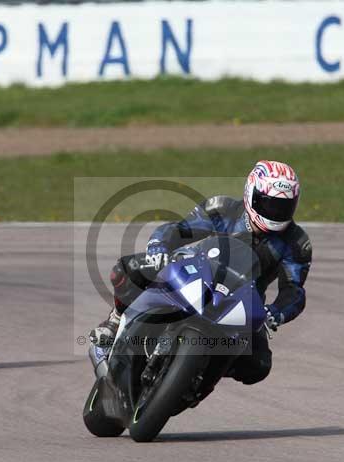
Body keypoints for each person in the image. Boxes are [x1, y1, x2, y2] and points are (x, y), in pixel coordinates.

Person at [89, 160, 312, 385]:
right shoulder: (223, 209)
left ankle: (201, 372)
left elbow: (293, 290)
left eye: (284, 207)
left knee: (259, 365)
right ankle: (114, 322)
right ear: (250, 194)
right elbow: (179, 229)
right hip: (195, 272)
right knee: (130, 269)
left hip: (242, 303)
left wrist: (275, 312)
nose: (276, 213)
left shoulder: (296, 242)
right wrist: (160, 245)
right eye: (270, 204)